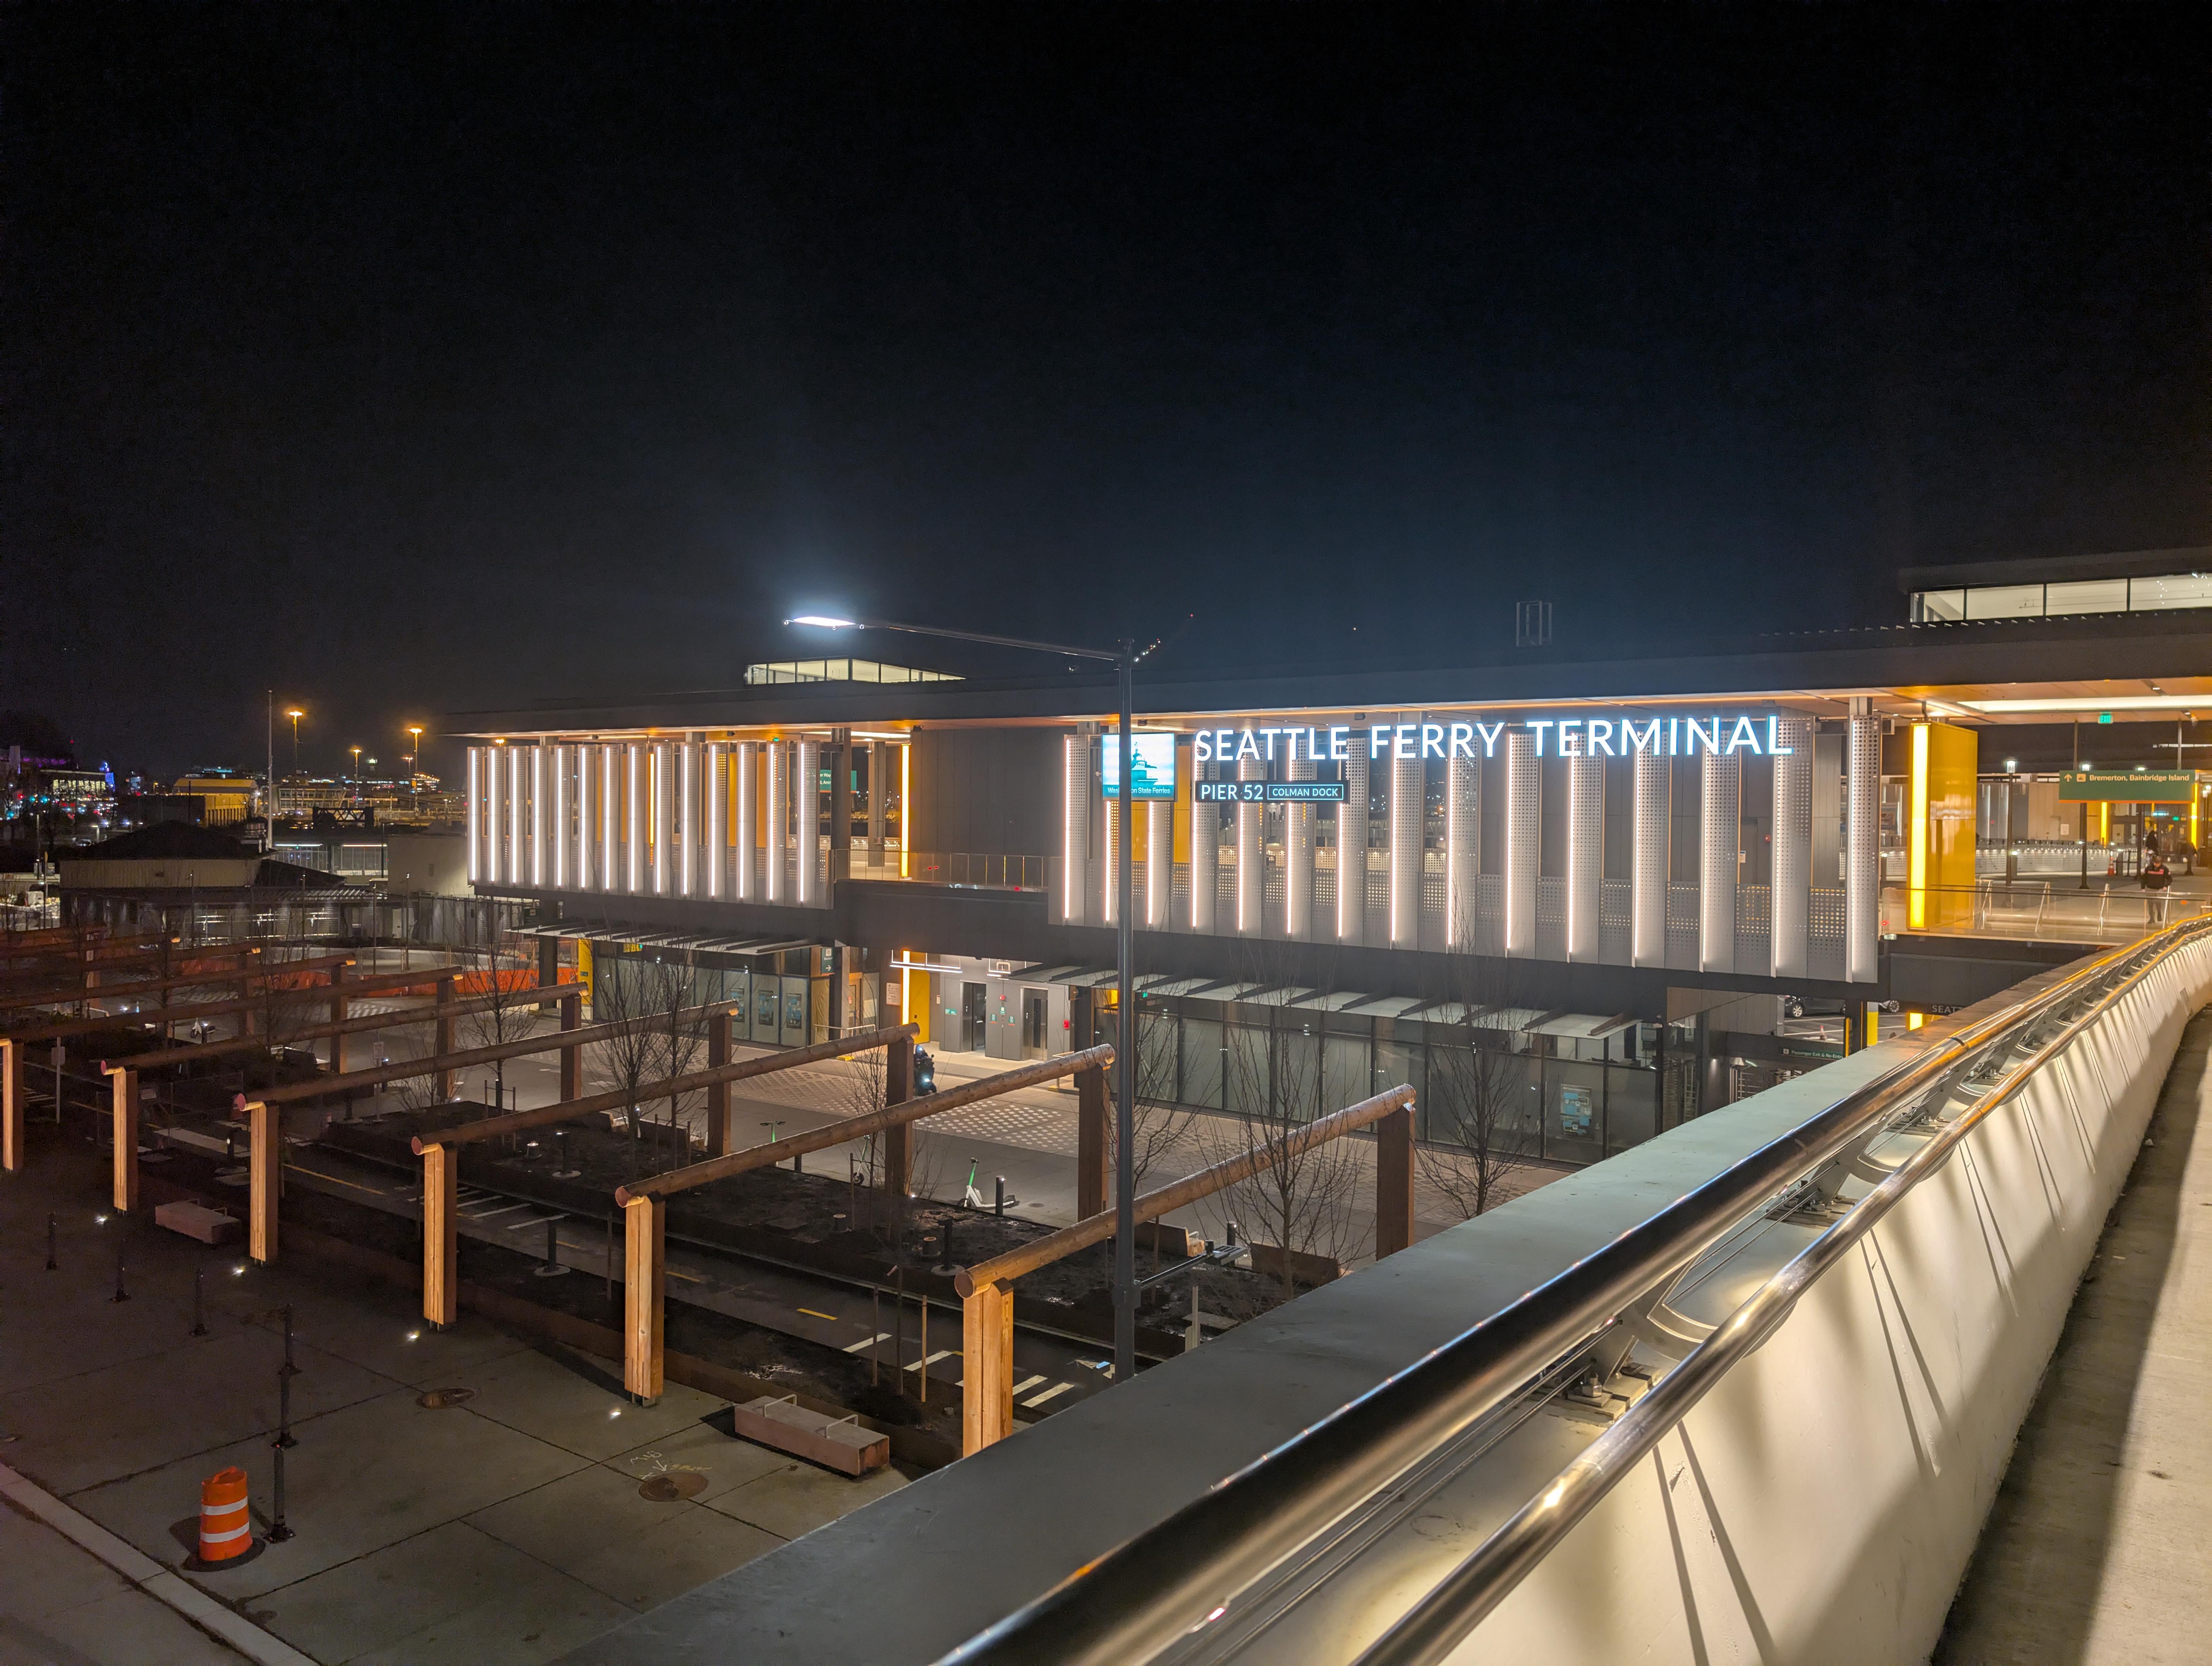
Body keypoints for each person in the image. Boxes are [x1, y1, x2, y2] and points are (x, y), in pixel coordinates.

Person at [2141, 854, 2173, 924]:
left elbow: (2170, 879)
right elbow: (2144, 878)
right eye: (2156, 863)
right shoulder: (2149, 868)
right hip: (2150, 888)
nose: (2157, 865)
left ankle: (2159, 914)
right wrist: (2143, 888)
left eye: (2158, 863)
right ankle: (2152, 918)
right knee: (2151, 904)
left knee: (2158, 902)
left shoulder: (2164, 869)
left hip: (2160, 889)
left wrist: (2166, 886)